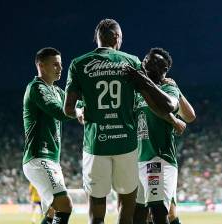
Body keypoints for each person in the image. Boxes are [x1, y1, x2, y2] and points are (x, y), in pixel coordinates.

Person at [64, 19, 177, 224]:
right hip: (126, 144)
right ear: (117, 37)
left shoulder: (78, 63)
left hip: (96, 143)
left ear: (97, 38)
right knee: (127, 204)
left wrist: (80, 112)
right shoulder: (131, 61)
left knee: (97, 207)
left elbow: (68, 109)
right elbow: (152, 101)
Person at [133, 48, 196, 224]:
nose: (146, 63)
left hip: (158, 158)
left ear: (164, 69)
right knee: (141, 215)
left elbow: (188, 115)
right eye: (146, 59)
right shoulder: (137, 90)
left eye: (153, 62)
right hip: (137, 159)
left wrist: (176, 89)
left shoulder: (167, 87)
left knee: (160, 213)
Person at [22, 47, 83, 224]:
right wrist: (79, 111)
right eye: (55, 64)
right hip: (39, 158)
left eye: (61, 64)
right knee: (65, 205)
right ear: (41, 65)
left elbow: (77, 103)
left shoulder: (56, 91)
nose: (60, 68)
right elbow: (60, 111)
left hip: (51, 160)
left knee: (52, 213)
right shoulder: (37, 88)